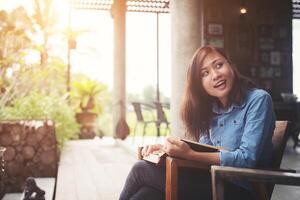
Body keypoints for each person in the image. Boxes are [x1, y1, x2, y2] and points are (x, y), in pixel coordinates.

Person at [119, 45, 275, 200]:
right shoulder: (209, 110)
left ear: (231, 66)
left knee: (141, 170)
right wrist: (165, 150)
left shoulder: (258, 100)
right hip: (213, 182)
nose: (215, 75)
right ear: (199, 84)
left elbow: (246, 159)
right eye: (205, 73)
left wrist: (190, 154)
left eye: (219, 65)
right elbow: (204, 153)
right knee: (146, 195)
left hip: (242, 190)